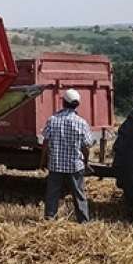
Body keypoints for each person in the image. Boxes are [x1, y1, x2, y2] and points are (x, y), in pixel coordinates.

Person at [39, 89, 95, 222]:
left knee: (52, 194)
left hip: (55, 165)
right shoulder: (81, 123)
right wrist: (86, 162)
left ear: (63, 102)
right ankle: (84, 221)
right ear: (77, 105)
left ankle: (49, 220)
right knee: (79, 195)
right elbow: (86, 147)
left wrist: (42, 161)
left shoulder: (52, 120)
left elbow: (45, 144)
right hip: (75, 166)